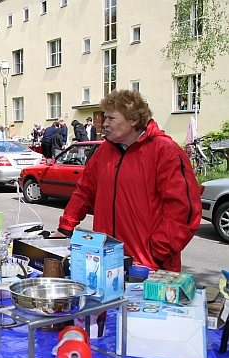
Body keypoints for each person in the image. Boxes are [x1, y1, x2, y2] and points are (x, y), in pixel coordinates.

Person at [54, 89, 201, 271]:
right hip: (106, 260)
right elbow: (85, 191)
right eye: (105, 117)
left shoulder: (165, 151)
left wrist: (156, 254)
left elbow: (184, 211)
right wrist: (65, 227)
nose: (105, 124)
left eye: (111, 118)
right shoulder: (104, 151)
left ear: (134, 120)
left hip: (148, 266)